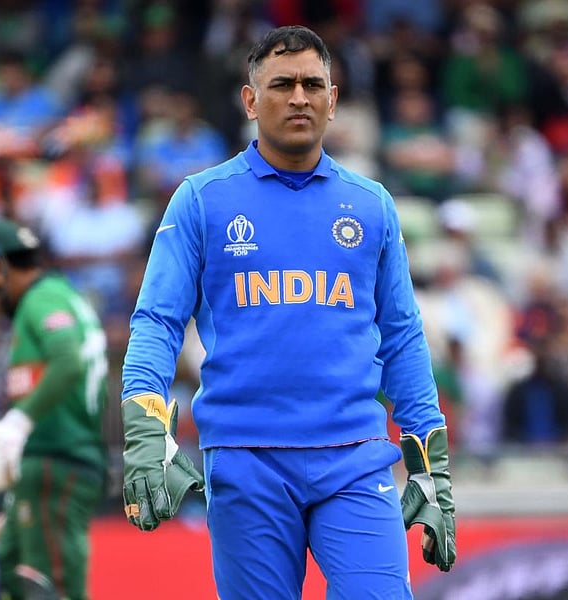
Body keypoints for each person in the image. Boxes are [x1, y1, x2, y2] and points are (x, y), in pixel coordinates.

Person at [120, 25, 456, 599]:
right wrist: (146, 428)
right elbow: (157, 321)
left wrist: (430, 460)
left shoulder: (371, 204)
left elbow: (401, 337)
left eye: (312, 84)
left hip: (355, 458)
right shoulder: (202, 199)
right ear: (250, 100)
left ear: (333, 99)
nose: (299, 97)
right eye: (281, 84)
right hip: (246, 460)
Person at [0, 219, 108, 600]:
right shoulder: (56, 297)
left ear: (0, 265)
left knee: (49, 587)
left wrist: (18, 423)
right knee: (7, 579)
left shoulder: (42, 298)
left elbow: (68, 361)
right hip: (48, 463)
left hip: (57, 461)